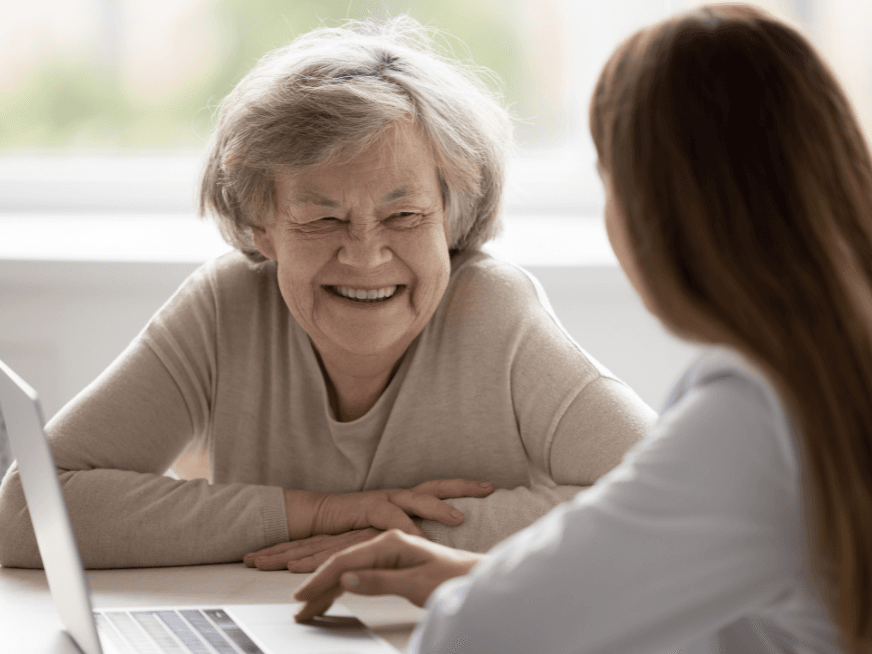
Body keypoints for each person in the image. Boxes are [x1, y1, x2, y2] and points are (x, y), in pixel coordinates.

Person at [293, 5, 872, 653]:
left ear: (658, 210)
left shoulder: (756, 413)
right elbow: (750, 606)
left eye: (608, 179)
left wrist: (486, 596)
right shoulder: (831, 369)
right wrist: (485, 576)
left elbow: (477, 636)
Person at [0, 17, 656, 571]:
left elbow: (672, 494)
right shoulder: (225, 310)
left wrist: (407, 537)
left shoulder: (491, 310)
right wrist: (314, 513)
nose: (366, 254)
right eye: (322, 219)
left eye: (405, 216)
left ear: (451, 216)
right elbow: (27, 513)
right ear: (264, 226)